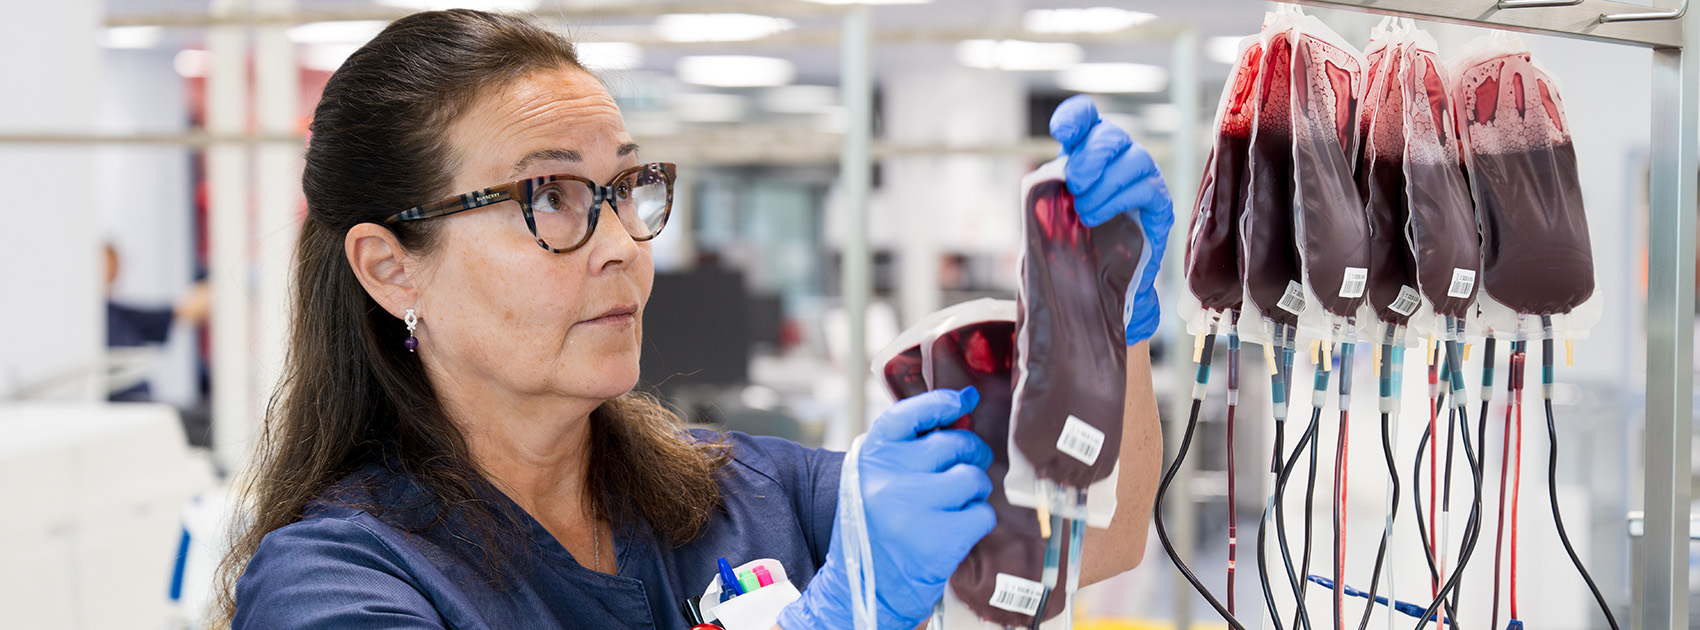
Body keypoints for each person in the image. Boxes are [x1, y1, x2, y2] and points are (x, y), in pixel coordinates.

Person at [219, 9, 1174, 630]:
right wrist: (828, 619)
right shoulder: (338, 583)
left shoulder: (739, 494)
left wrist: (1098, 322)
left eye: (625, 186)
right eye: (548, 194)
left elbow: (1096, 538)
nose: (622, 247)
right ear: (391, 269)